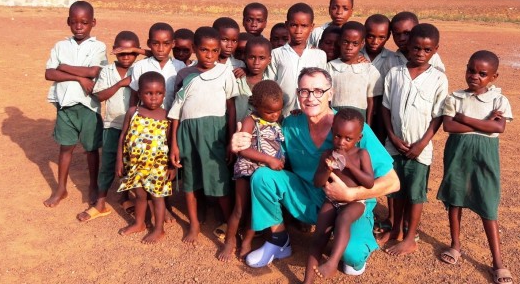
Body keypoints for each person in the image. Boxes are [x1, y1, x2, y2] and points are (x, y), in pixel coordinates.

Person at [232, 67, 400, 275]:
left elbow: (393, 182)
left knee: (351, 260)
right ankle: (278, 240)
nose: (311, 98)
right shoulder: (291, 124)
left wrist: (351, 194)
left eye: (318, 91)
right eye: (304, 91)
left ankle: (351, 239)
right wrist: (239, 143)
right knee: (263, 177)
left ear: (331, 93)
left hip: (350, 205)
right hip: (308, 196)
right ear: (298, 95)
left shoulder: (352, 128)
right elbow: (264, 142)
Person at [437, 50, 513, 284]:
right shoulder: (455, 97)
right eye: (471, 70)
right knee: (455, 198)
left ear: (494, 77)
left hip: (485, 157)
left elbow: (499, 129)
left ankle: (497, 261)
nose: (475, 76)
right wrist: (485, 124)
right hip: (458, 153)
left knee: (488, 205)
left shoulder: (499, 100)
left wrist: (465, 118)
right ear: (466, 68)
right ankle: (455, 245)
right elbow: (448, 127)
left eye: (482, 73)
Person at [379, 23, 448, 255]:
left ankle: (410, 237)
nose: (420, 53)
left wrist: (421, 144)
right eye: (416, 48)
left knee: (416, 193)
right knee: (395, 189)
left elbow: (438, 116)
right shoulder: (395, 73)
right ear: (408, 46)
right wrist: (392, 137)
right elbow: (386, 108)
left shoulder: (438, 79)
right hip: (395, 144)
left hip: (420, 149)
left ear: (435, 50)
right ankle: (396, 228)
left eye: (427, 50)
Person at [169, 26, 238, 243]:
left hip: (215, 134)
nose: (210, 55)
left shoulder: (224, 72)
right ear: (194, 49)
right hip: (187, 134)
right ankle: (194, 225)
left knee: (219, 180)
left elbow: (231, 107)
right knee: (190, 180)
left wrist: (230, 140)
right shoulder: (186, 75)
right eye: (204, 50)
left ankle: (230, 224)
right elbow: (176, 113)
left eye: (215, 51)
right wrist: (174, 144)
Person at [43, 0, 107, 208]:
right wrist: (79, 78)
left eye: (84, 22)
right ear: (68, 22)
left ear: (93, 23)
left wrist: (65, 67)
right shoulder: (60, 46)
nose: (79, 26)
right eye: (74, 22)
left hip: (88, 107)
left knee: (91, 150)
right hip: (65, 106)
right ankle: (61, 188)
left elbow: (93, 72)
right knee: (66, 147)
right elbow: (49, 73)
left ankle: (93, 186)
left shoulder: (98, 46)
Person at [304, 109, 375, 283]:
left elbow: (369, 182)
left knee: (343, 219)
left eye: (348, 138)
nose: (341, 142)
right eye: (337, 136)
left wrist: (350, 165)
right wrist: (327, 169)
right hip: (332, 200)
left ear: (358, 138)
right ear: (332, 132)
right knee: (319, 235)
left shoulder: (361, 154)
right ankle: (307, 280)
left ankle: (333, 262)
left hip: (355, 202)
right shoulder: (327, 155)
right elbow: (318, 182)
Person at [218, 80, 285, 262]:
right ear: (256, 105)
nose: (274, 115)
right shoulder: (250, 121)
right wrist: (269, 159)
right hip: (248, 169)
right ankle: (230, 240)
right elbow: (242, 149)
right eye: (269, 111)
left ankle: (247, 240)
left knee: (257, 210)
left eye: (278, 110)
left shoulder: (279, 121)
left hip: (266, 175)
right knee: (240, 209)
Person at [77, 31, 140, 221]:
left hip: (135, 127)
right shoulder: (107, 71)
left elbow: (156, 54)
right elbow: (100, 95)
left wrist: (137, 49)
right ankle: (100, 202)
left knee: (130, 164)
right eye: (121, 53)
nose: (126, 57)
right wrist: (122, 83)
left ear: (137, 53)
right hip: (112, 124)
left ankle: (125, 198)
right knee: (109, 163)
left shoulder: (140, 68)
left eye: (131, 52)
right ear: (114, 52)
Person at [116, 72, 174, 244]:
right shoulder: (133, 112)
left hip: (158, 167)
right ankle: (139, 223)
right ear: (140, 94)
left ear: (164, 93)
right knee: (140, 196)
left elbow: (171, 143)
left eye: (158, 93)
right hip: (135, 165)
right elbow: (123, 136)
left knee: (157, 198)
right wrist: (119, 159)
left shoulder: (167, 116)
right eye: (149, 93)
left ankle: (158, 229)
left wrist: (172, 166)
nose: (154, 98)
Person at [360, 14, 393, 234]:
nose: (374, 41)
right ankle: (362, 207)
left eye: (380, 37)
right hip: (360, 113)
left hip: (382, 114)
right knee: (360, 160)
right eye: (370, 36)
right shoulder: (354, 53)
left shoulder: (394, 59)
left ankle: (390, 215)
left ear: (387, 36)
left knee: (382, 162)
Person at [267, 3, 326, 117]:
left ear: (312, 27)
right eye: (293, 25)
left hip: (311, 114)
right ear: (286, 25)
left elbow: (323, 87)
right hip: (283, 113)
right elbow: (271, 84)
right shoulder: (276, 54)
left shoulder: (319, 55)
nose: (298, 31)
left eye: (304, 26)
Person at [326, 21, 382, 124]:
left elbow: (371, 102)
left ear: (362, 44)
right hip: (334, 115)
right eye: (345, 42)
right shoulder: (330, 67)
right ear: (339, 41)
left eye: (355, 43)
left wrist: (368, 126)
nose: (349, 47)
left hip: (359, 117)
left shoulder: (369, 70)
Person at [128, 22, 185, 111]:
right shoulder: (141, 66)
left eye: (166, 44)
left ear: (173, 43)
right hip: (145, 119)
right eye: (156, 43)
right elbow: (134, 95)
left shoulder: (180, 66)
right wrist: (131, 115)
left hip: (170, 118)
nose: (161, 49)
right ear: (149, 43)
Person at [235, 37, 272, 122]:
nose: (256, 63)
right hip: (239, 130)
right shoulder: (236, 80)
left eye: (262, 58)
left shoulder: (270, 84)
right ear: (245, 57)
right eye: (252, 57)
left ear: (269, 60)